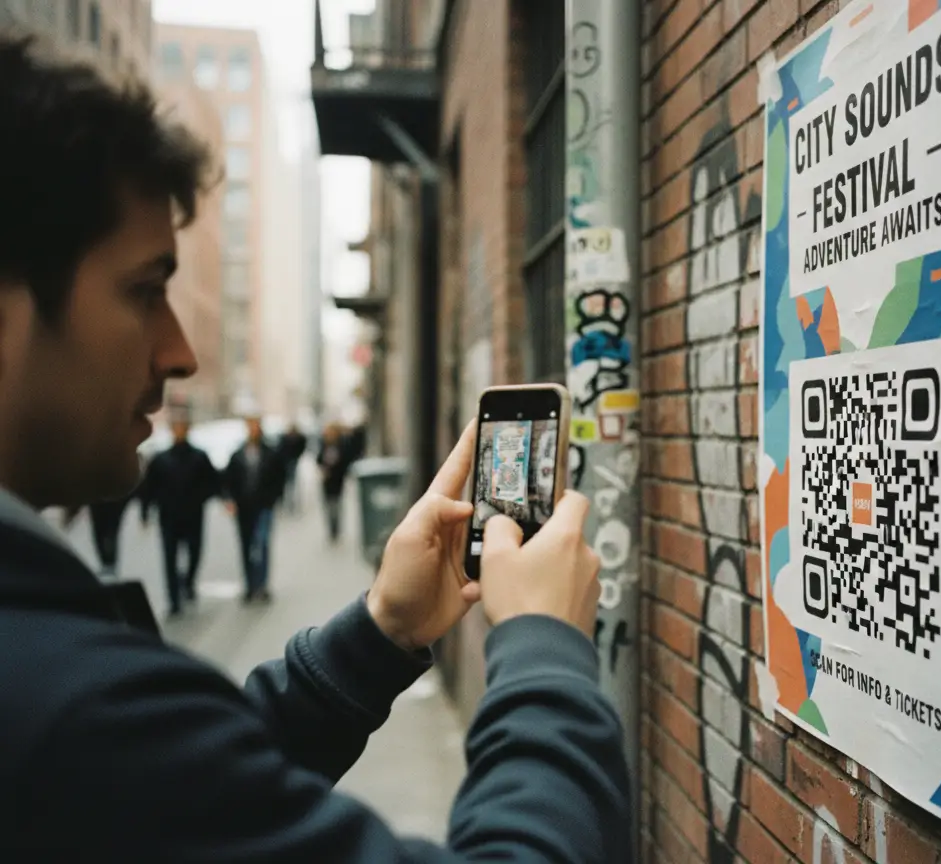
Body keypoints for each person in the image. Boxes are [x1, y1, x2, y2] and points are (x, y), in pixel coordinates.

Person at [0, 32, 630, 861]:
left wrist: (379, 634)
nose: (181, 351)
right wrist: (546, 654)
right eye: (146, 291)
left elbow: (189, 805)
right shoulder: (62, 715)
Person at [138, 419, 221, 616]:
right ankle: (173, 599)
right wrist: (145, 511)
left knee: (194, 553)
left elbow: (213, 482)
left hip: (193, 515)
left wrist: (201, 498)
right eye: (176, 428)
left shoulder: (199, 457)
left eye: (182, 427)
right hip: (169, 517)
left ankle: (188, 582)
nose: (179, 431)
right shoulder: (161, 459)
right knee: (169, 558)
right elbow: (149, 488)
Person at [222, 414, 286, 603]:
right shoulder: (237, 454)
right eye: (249, 426)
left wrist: (274, 499)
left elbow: (279, 478)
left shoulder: (270, 452)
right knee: (246, 546)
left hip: (264, 506)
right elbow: (228, 480)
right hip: (244, 508)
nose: (253, 429)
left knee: (263, 544)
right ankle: (249, 585)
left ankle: (263, 585)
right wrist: (229, 500)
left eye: (255, 426)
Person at [62, 489, 137, 579]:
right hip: (104, 494)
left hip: (106, 495)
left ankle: (108, 561)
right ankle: (108, 561)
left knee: (105, 527)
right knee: (105, 527)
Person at [317, 421, 351, 542]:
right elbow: (318, 459)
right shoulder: (323, 444)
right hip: (326, 481)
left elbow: (346, 461)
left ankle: (336, 528)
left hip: (337, 481)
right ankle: (331, 529)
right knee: (328, 506)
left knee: (336, 506)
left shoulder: (342, 444)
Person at [279, 420, 308, 512]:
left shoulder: (299, 438)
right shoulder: (285, 438)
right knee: (287, 482)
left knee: (292, 482)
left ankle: (291, 502)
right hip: (285, 462)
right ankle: (286, 500)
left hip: (293, 461)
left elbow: (302, 447)